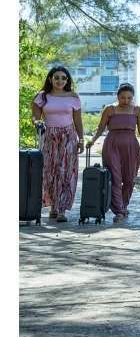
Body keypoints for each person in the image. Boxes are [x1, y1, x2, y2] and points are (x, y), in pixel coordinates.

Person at [86, 83, 140, 222]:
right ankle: (118, 210)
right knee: (115, 178)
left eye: (129, 98)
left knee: (130, 180)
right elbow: (101, 128)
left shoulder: (137, 110)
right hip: (112, 145)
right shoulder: (110, 109)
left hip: (131, 145)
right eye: (122, 97)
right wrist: (93, 141)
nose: (125, 100)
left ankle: (124, 205)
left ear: (133, 97)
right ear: (117, 96)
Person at [31, 66, 84, 222]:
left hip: (68, 136)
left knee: (66, 171)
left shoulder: (73, 97)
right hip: (49, 136)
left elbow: (78, 121)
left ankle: (61, 209)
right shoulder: (42, 96)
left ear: (67, 80)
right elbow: (35, 116)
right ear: (50, 79)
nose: (60, 81)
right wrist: (37, 122)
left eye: (63, 78)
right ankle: (53, 206)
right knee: (50, 171)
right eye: (56, 77)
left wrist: (81, 140)